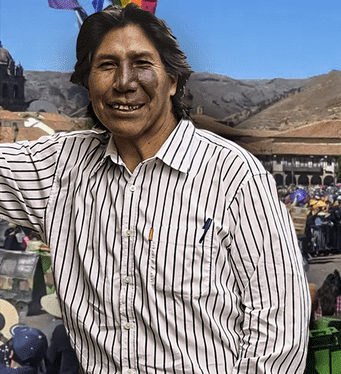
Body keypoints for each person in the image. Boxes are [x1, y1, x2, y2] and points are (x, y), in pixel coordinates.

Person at [0, 4, 310, 373]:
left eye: (142, 63)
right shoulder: (58, 169)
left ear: (173, 79)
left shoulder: (234, 176)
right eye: (106, 65)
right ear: (87, 82)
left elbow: (280, 327)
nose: (124, 82)